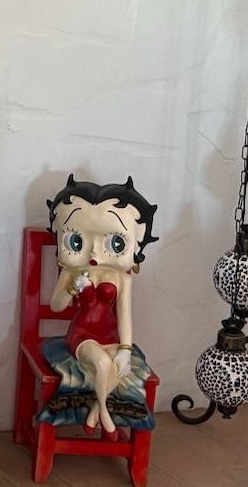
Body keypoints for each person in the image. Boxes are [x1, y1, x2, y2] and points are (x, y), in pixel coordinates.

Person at [44, 176, 159, 434]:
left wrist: (126, 348)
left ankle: (96, 409)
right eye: (77, 242)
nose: (94, 253)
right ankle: (105, 413)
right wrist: (72, 288)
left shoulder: (122, 277)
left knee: (120, 366)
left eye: (116, 243)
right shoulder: (71, 272)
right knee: (104, 365)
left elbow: (124, 315)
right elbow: (56, 306)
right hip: (82, 335)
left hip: (110, 337)